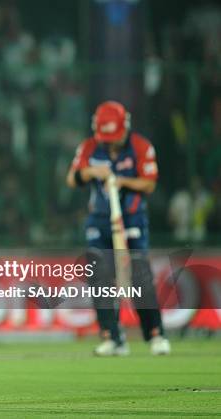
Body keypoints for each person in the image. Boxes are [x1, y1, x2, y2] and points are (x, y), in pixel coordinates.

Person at [66, 100, 171, 356]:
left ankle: (155, 333)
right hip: (100, 220)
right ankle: (111, 336)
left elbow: (149, 184)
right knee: (99, 275)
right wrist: (91, 171)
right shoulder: (90, 147)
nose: (111, 143)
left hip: (132, 218)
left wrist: (122, 180)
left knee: (139, 274)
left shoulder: (140, 146)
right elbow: (72, 179)